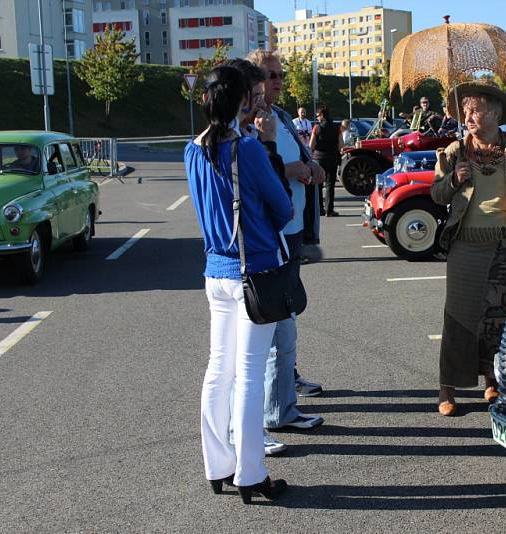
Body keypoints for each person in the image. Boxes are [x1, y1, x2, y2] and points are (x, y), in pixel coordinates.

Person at [185, 64, 291, 503]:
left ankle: (218, 465)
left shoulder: (190, 150)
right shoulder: (246, 149)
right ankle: (251, 474)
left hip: (215, 271)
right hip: (255, 272)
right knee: (248, 377)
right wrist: (268, 148)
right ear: (244, 100)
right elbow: (283, 208)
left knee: (218, 371)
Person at [430, 81, 506, 416]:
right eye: (465, 110)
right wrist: (454, 179)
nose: (468, 116)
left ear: (495, 113)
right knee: (459, 318)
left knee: (498, 320)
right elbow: (436, 194)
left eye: (476, 110)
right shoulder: (454, 152)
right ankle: (447, 387)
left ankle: (492, 381)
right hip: (466, 248)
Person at [247, 49, 325, 436]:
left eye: (279, 74)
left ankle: (283, 399)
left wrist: (312, 167)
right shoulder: (252, 124)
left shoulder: (279, 118)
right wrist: (291, 168)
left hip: (292, 230)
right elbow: (256, 173)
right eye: (268, 75)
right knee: (276, 327)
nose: (276, 80)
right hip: (269, 235)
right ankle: (276, 411)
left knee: (286, 321)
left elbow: (305, 162)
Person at [309, 104, 342, 217]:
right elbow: (341, 145)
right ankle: (329, 210)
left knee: (318, 184)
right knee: (330, 184)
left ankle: (320, 210)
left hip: (318, 159)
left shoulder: (316, 128)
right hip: (332, 158)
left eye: (318, 115)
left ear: (322, 115)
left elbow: (311, 145)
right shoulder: (337, 127)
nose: (317, 117)